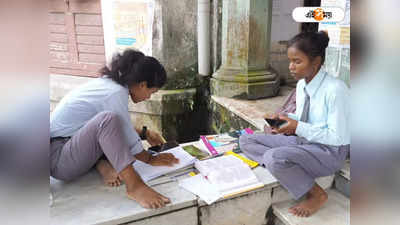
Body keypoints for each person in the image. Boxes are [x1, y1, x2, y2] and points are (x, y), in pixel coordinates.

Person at [50, 49, 180, 209]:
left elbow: (120, 128)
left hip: (68, 144)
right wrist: (149, 159)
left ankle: (101, 164)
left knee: (110, 123)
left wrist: (145, 134)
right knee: (107, 120)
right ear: (142, 85)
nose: (148, 97)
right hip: (59, 158)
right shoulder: (115, 93)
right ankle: (135, 187)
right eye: (151, 92)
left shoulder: (109, 84)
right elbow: (115, 128)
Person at [239, 31, 350, 217]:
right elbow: (301, 117)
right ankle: (285, 165)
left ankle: (316, 194)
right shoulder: (301, 85)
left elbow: (338, 137)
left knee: (274, 157)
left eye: (297, 61)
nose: (290, 67)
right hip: (303, 143)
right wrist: (283, 120)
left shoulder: (335, 90)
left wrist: (297, 127)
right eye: (290, 61)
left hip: (328, 152)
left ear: (315, 62)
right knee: (246, 140)